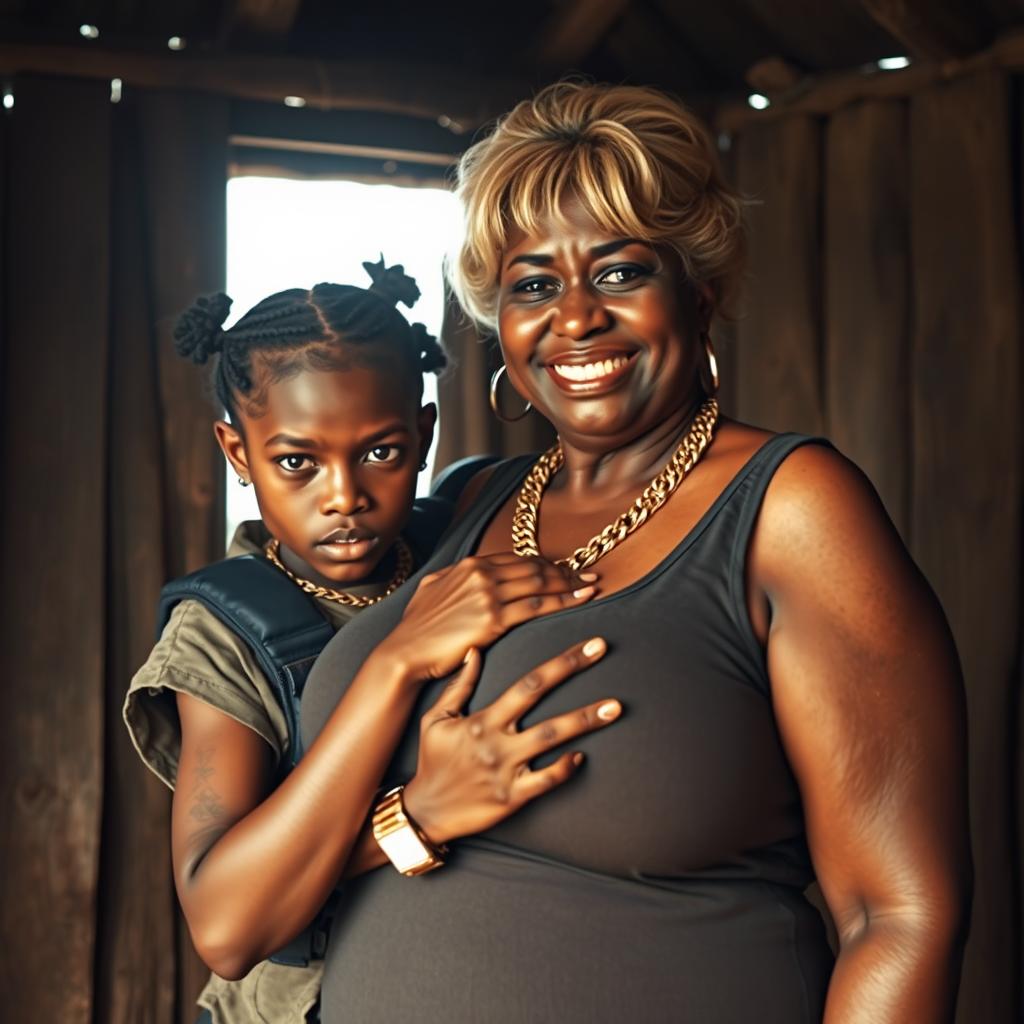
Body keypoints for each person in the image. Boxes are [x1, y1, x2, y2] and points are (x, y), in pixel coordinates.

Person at [299, 82, 972, 1023]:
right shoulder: (467, 501)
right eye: (535, 285)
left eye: (618, 272)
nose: (576, 318)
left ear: (699, 296)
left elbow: (898, 916)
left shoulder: (792, 511)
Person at [123, 261, 620, 1024]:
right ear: (237, 453)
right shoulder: (221, 634)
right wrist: (413, 800)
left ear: (423, 434)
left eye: (380, 453)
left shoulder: (472, 531)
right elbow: (226, 927)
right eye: (297, 462)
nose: (344, 496)